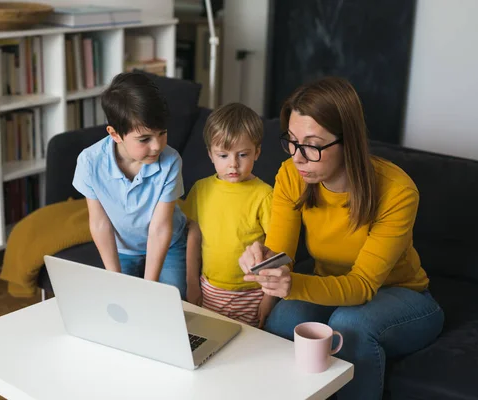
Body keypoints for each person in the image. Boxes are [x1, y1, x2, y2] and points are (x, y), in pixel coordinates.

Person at [238, 77, 444, 400]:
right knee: (285, 317)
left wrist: (292, 285)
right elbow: (281, 254)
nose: (297, 157)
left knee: (350, 325)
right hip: (332, 287)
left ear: (349, 141)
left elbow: (362, 286)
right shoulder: (292, 175)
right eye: (291, 141)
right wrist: (263, 262)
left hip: (405, 297)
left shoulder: (397, 192)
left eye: (312, 145)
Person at [72, 72, 188, 299]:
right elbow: (99, 223)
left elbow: (160, 228)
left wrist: (149, 287)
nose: (157, 146)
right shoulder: (89, 162)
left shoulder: (171, 161)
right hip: (122, 249)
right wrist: (114, 279)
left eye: (162, 133)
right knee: (118, 303)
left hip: (168, 242)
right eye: (144, 139)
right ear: (115, 134)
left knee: (169, 302)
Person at [181, 103, 274, 327]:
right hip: (210, 289)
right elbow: (193, 237)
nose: (233, 163)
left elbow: (276, 249)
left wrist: (269, 298)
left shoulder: (265, 195)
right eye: (223, 155)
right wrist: (192, 283)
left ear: (257, 152)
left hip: (253, 294)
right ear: (210, 155)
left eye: (243, 154)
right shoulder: (201, 189)